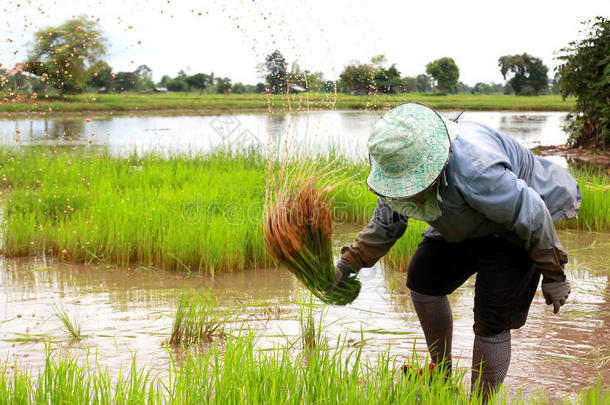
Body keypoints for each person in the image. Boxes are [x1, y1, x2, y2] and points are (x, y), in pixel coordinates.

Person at [332, 103, 579, 400]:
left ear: (435, 165)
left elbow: (532, 215)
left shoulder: (476, 169)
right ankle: (442, 373)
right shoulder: (398, 171)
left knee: (491, 319)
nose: (407, 191)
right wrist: (348, 265)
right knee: (423, 280)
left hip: (515, 229)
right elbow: (385, 225)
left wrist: (553, 274)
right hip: (463, 217)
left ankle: (479, 400)